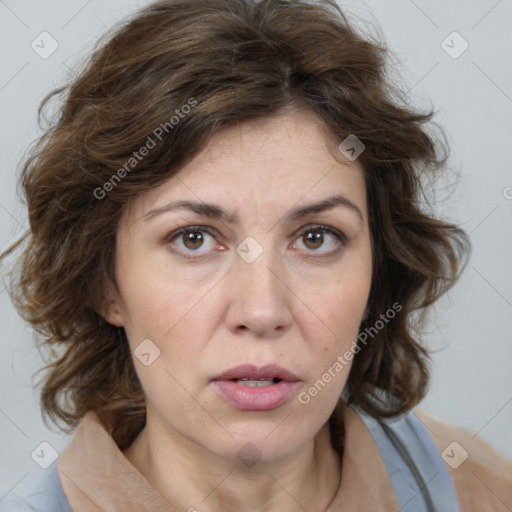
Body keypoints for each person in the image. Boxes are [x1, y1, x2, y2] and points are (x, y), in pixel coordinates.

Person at [1, 0, 511, 510]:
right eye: (194, 238)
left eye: (316, 238)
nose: (262, 311)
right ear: (104, 282)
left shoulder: (479, 491)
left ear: (380, 268)